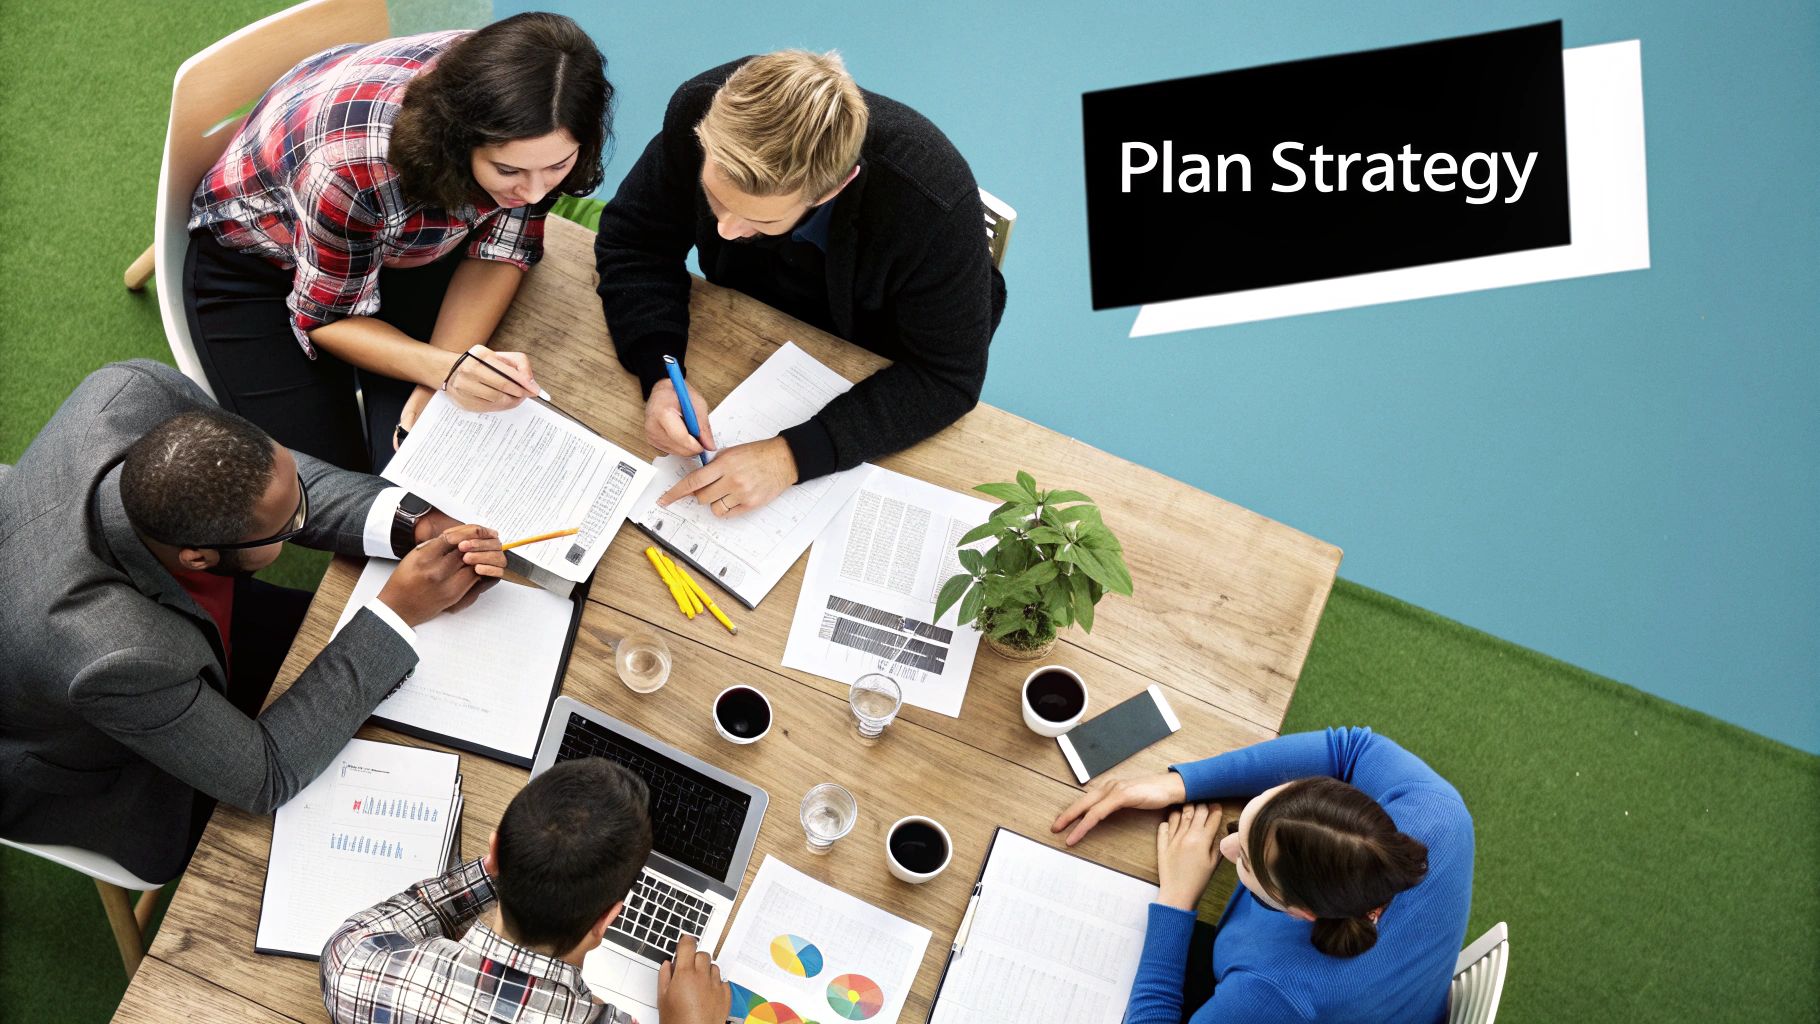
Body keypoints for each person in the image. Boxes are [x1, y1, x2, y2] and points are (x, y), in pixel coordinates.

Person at [0, 360, 506, 884]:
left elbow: (273, 480)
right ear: (198, 558)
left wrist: (415, 523)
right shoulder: (113, 656)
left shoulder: (134, 390)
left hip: (172, 635)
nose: (304, 516)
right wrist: (397, 611)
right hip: (107, 770)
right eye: (291, 527)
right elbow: (267, 776)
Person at [186, 12, 612, 473]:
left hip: (397, 243)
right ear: (456, 139)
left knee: (419, 461)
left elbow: (500, 249)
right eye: (507, 171)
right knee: (337, 482)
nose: (532, 193)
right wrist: (445, 372)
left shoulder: (534, 97)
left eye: (558, 167)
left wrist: (441, 377)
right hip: (261, 256)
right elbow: (328, 317)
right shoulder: (349, 169)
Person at [595, 50, 1006, 517]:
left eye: (758, 217)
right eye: (714, 197)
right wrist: (659, 371)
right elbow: (635, 241)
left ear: (831, 190)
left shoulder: (932, 202)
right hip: (750, 320)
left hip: (875, 350)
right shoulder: (702, 108)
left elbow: (946, 377)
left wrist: (791, 457)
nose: (725, 230)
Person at [1052, 727, 1474, 1023]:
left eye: (1247, 862)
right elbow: (1351, 749)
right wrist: (1181, 784)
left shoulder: (1275, 993)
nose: (1224, 847)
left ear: (1302, 912)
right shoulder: (1441, 813)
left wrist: (1177, 899)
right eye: (1261, 806)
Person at [322, 758, 732, 1024]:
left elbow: (352, 940)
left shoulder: (354, 968)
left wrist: (510, 865)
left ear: (494, 852)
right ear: (607, 918)